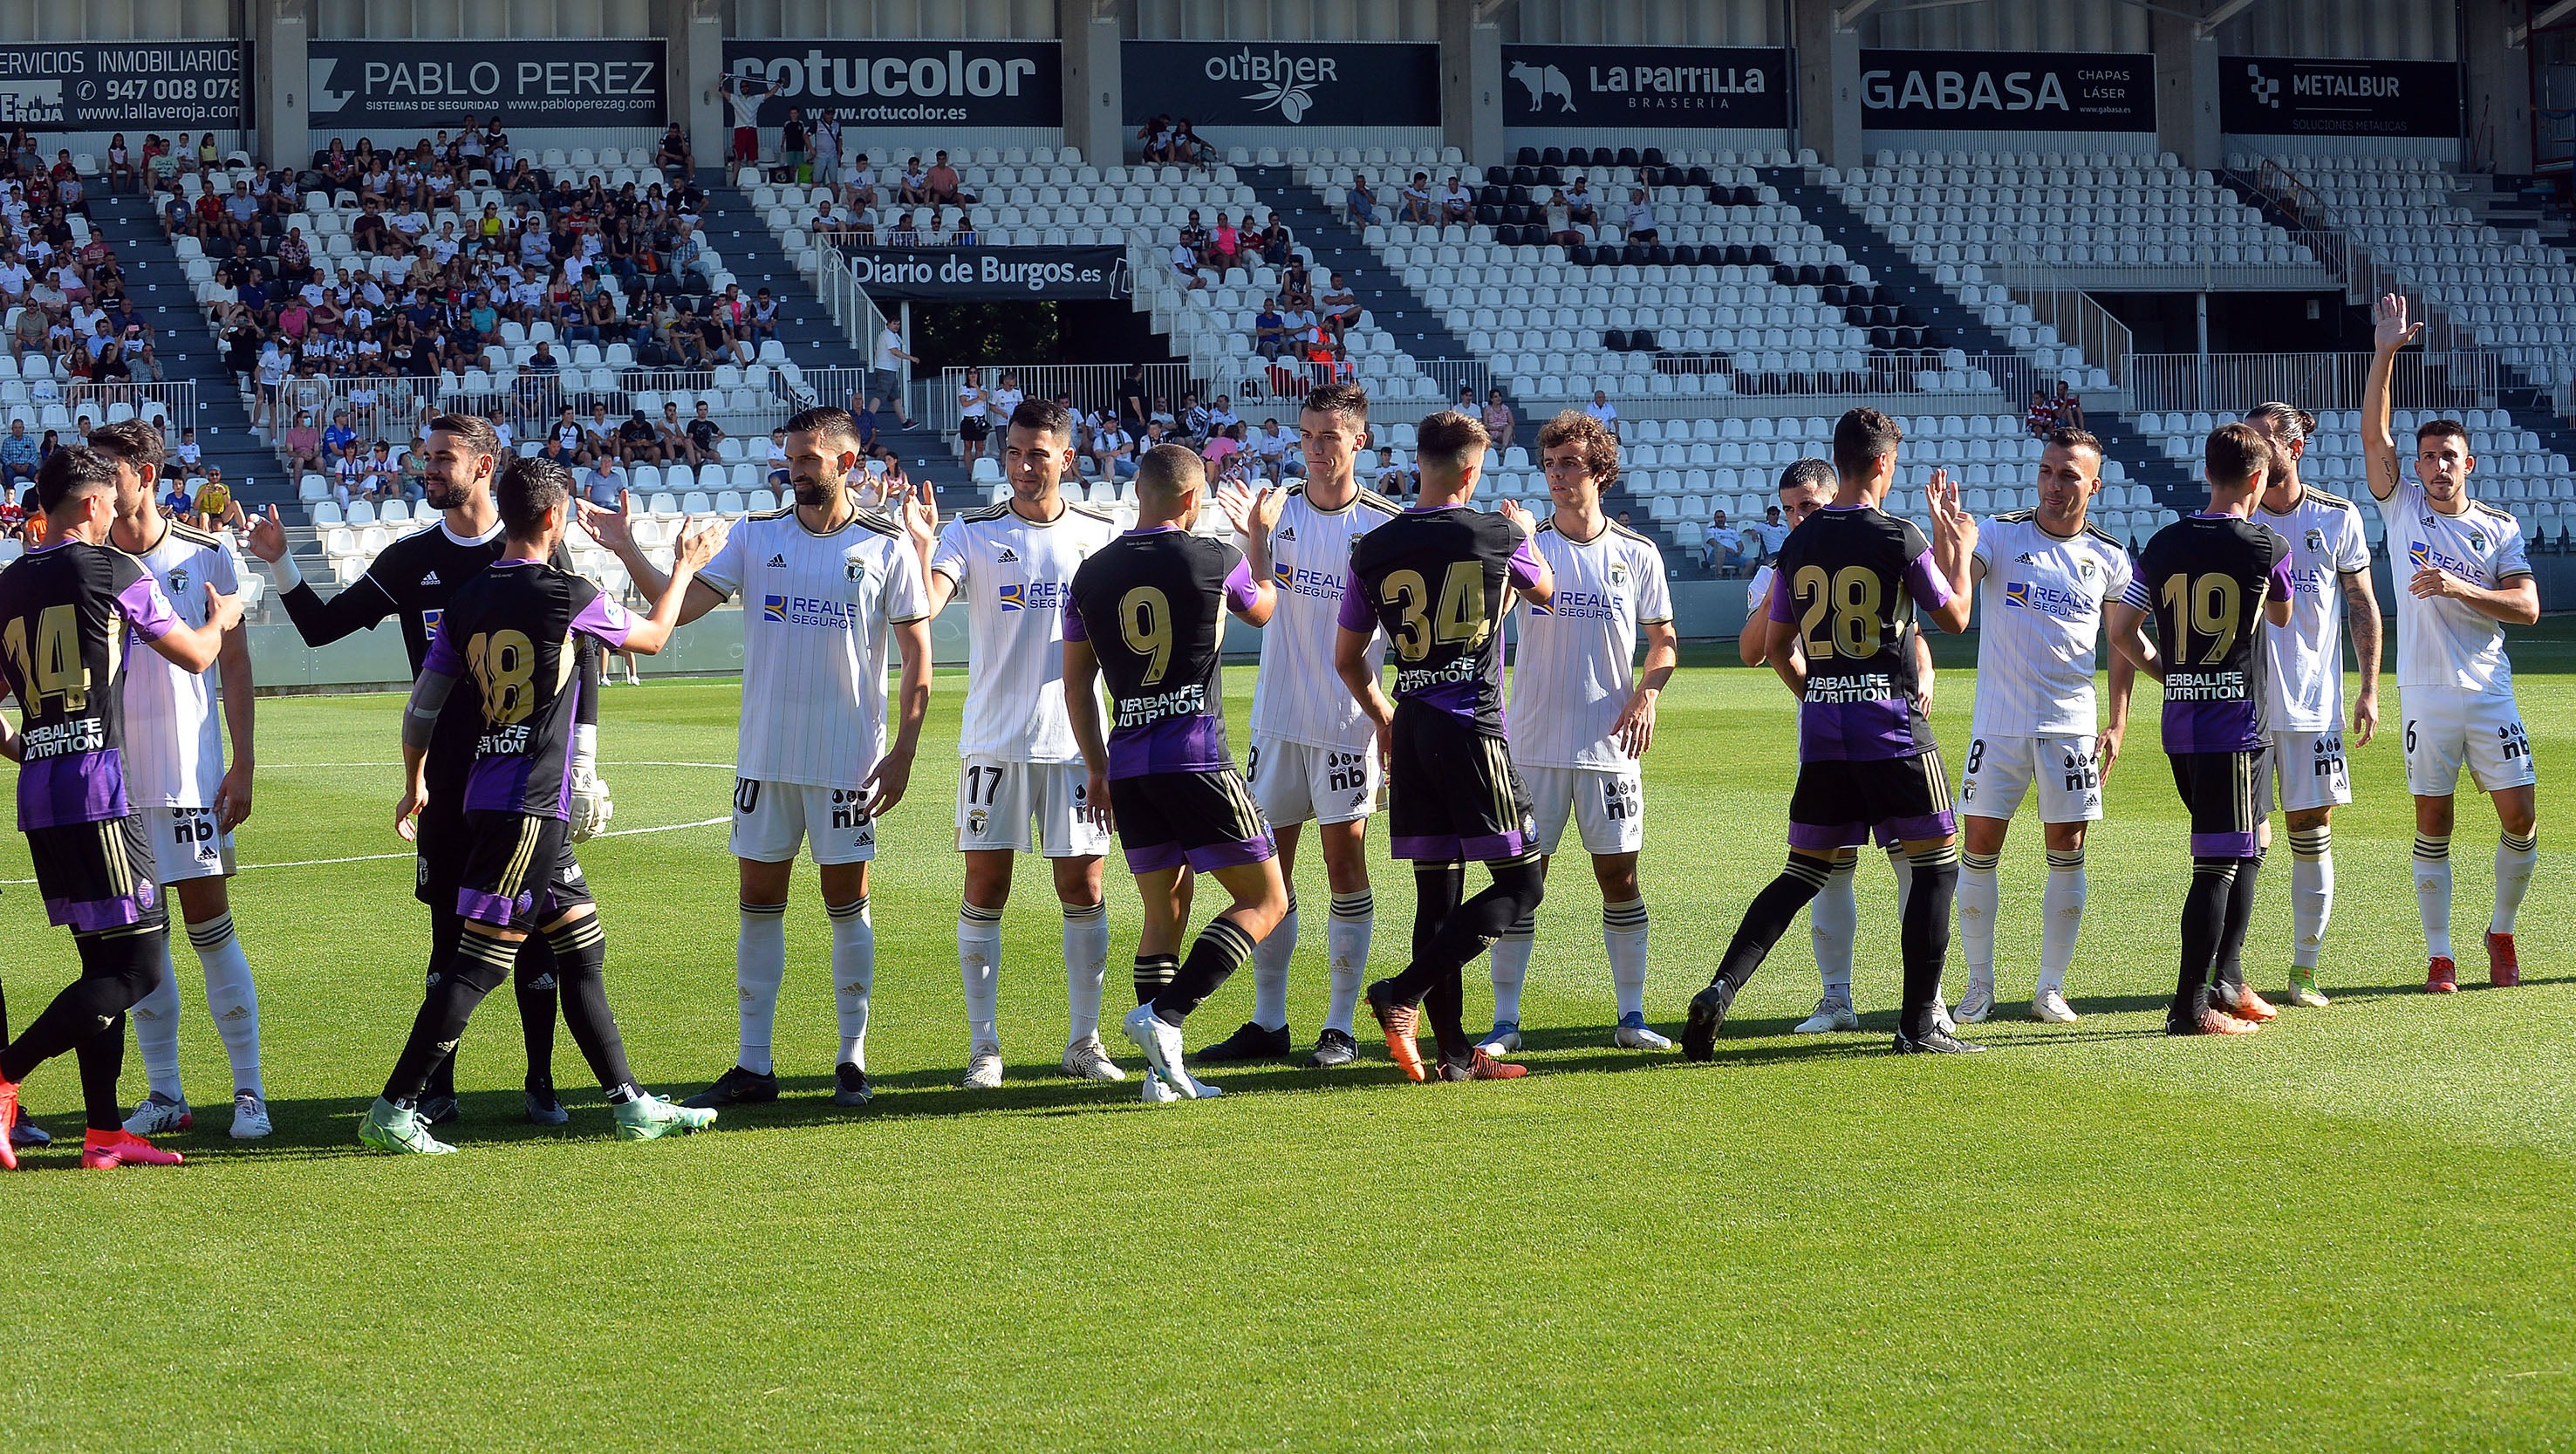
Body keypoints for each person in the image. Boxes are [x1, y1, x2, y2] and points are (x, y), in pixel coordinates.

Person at [357, 457, 723, 1155]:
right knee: (482, 965)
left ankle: (630, 1102)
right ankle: (394, 1108)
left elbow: (420, 710)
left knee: (583, 947)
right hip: (526, 806)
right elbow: (652, 636)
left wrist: (415, 781)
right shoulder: (565, 593)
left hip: (491, 796)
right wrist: (683, 568)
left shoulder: (465, 600)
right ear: (554, 518)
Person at [245, 414, 600, 1126]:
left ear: (485, 465)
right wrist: (280, 562)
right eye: (426, 458)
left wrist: (586, 764)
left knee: (536, 933)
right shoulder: (411, 560)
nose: (429, 468)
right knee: (448, 934)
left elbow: (586, 660)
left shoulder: (537, 553)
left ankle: (541, 1081)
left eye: (444, 459)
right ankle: (437, 1089)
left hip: (529, 778)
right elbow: (322, 626)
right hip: (445, 782)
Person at [583, 407, 932, 1110]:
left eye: (810, 459)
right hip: (765, 757)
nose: (797, 469)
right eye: (792, 458)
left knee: (847, 906)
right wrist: (627, 551)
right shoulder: (755, 535)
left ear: (848, 464)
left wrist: (903, 753)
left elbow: (919, 658)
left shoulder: (886, 544)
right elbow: (674, 611)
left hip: (847, 762)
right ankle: (753, 1063)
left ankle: (851, 1060)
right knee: (758, 906)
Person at [1681, 408, 1979, 1060]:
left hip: (1823, 732)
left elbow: (1774, 645)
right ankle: (1917, 1024)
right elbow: (1954, 617)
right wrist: (1955, 548)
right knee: (1936, 865)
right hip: (1891, 727)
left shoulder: (1799, 543)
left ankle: (1720, 990)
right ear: (1880, 463)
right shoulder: (1898, 537)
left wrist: (1818, 694)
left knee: (1800, 872)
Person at [0, 446, 243, 1171]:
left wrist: (29, 748)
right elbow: (196, 654)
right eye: (109, 502)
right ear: (88, 505)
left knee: (97, 962)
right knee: (138, 967)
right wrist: (226, 615)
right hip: (101, 791)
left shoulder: (7, 583)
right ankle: (5, 1074)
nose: (116, 513)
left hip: (41, 796)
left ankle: (104, 1130)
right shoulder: (114, 570)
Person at [901, 399, 1124, 1088]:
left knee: (1082, 885)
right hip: (993, 743)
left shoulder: (1102, 531)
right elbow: (926, 607)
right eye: (1016, 454)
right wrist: (919, 545)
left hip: (1075, 744)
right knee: (984, 886)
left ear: (1067, 459)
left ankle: (1084, 1041)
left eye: (1038, 454)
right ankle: (984, 1047)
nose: (1026, 467)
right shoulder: (971, 532)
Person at [1062, 447, 1288, 1102]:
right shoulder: (1216, 559)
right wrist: (1258, 539)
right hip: (1196, 759)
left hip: (1129, 767)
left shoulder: (1091, 573)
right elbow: (1264, 607)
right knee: (1267, 900)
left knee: (1163, 912)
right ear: (1193, 499)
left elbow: (1077, 684)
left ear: (1139, 493)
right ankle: (1165, 1015)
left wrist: (1099, 768)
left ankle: (1161, 1079)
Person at [1336, 410, 1553, 1082]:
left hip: (1415, 723)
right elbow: (1546, 591)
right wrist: (1523, 535)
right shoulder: (1494, 532)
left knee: (1437, 896)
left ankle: (1456, 1053)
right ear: (1469, 471)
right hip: (1470, 729)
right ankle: (1401, 992)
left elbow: (1347, 656)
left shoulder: (1372, 547)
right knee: (1523, 883)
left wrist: (1385, 718)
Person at [1192, 384, 1399, 1069]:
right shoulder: (1275, 510)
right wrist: (1253, 534)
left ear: (1358, 441)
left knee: (1345, 867)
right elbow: (1258, 602)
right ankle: (1268, 1021)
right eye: (1307, 435)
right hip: (1277, 719)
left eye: (1329, 436)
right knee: (1268, 873)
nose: (1314, 448)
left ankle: (1339, 1025)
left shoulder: (1384, 526)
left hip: (1347, 725)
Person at [88, 423, 270, 1139]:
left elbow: (234, 664)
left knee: (211, 931)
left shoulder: (206, 553)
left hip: (191, 777)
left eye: (109, 469)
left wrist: (245, 759)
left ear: (147, 473)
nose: (97, 483)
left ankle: (249, 1093)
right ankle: (164, 1091)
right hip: (113, 784)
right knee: (141, 944)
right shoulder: (89, 562)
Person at [1481, 410, 1677, 1055]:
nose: (1557, 475)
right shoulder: (1528, 544)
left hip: (1609, 748)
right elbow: (1489, 620)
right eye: (1550, 464)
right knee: (1522, 882)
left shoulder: (1636, 554)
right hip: (1532, 746)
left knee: (1619, 878)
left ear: (1599, 470)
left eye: (1569, 463)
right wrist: (1509, 548)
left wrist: (1646, 693)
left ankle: (1630, 1015)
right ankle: (1505, 1020)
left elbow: (1663, 642)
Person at [2362, 295, 2540, 993]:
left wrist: (2460, 590)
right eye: (2429, 456)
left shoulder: (2497, 528)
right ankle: (2439, 954)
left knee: (2520, 817)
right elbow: (2373, 438)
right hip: (2426, 692)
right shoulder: (2399, 505)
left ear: (2469, 465)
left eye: (2449, 458)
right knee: (2432, 818)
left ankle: (2500, 930)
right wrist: (2383, 354)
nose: (2438, 466)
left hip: (2487, 689)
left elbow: (2525, 605)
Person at [2105, 424, 2298, 1036]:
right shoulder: (2265, 546)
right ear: (2258, 479)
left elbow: (2120, 631)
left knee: (2254, 837)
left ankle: (2228, 974)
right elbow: (2282, 612)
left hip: (2182, 724)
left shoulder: (2161, 544)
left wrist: (2169, 671)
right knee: (2216, 863)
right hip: (2235, 727)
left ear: (2207, 473)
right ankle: (2189, 1009)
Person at [1738, 458, 1936, 1036]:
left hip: (1886, 727)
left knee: (1911, 861)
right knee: (1831, 867)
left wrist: (1925, 677)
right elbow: (1756, 650)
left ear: (1834, 499)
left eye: (1809, 507)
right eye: (1790, 508)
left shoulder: (1869, 549)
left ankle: (1926, 1000)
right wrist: (1812, 694)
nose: (1798, 517)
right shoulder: (1782, 565)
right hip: (1829, 736)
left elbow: (1913, 635)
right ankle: (1835, 999)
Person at [1949, 427, 2138, 1026]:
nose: (2054, 486)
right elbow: (1955, 589)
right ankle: (1978, 985)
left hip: (2070, 726)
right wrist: (1951, 541)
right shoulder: (2000, 533)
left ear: (2093, 485)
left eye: (2068, 476)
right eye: (2047, 471)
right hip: (1998, 725)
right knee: (1978, 848)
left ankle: (2050, 987)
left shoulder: (2108, 556)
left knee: (2068, 849)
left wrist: (2117, 722)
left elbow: (2121, 644)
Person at [2245, 401, 2381, 1008]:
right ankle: (2229, 971)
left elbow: (2361, 604)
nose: (2250, 449)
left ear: (2293, 449)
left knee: (2311, 830)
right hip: (2242, 707)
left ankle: (2303, 968)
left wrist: (2369, 687)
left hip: (2311, 707)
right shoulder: (2230, 520)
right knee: (2241, 837)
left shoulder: (2336, 516)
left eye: (2262, 440)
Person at [872, 321, 918, 427]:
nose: (897, 326)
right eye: (894, 324)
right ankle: (867, 421)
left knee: (896, 397)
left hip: (890, 370)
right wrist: (911, 358)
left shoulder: (888, 335)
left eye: (898, 324)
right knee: (880, 395)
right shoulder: (888, 335)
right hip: (886, 370)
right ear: (888, 324)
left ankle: (905, 422)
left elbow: (877, 351)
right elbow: (894, 351)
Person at [722, 72, 771, 168]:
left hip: (752, 129)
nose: (744, 88)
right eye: (742, 86)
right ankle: (735, 180)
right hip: (740, 130)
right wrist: (722, 79)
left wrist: (780, 84)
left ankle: (751, 178)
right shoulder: (736, 99)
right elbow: (722, 91)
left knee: (751, 157)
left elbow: (770, 93)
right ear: (740, 88)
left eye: (746, 86)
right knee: (738, 157)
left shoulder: (756, 99)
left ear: (749, 87)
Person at [955, 366, 992, 467]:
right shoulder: (963, 388)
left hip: (979, 420)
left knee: (979, 446)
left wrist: (976, 387)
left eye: (975, 373)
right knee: (968, 446)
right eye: (971, 373)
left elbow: (984, 397)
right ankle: (969, 471)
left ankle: (978, 469)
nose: (973, 375)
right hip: (968, 419)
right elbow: (964, 403)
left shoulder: (982, 387)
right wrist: (977, 399)